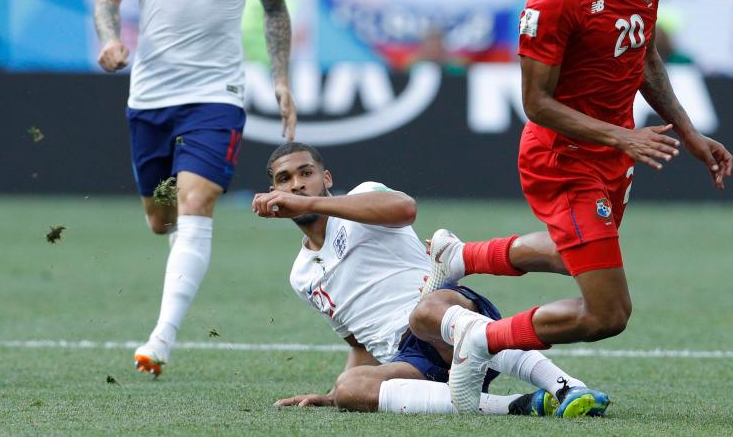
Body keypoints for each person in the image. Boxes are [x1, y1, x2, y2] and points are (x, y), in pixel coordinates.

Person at [422, 0, 733, 412]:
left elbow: (645, 57)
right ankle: (479, 339)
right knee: (607, 313)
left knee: (580, 257)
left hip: (615, 153)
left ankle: (462, 254)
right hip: (562, 158)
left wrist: (687, 131)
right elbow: (535, 103)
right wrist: (621, 137)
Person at [93, 0, 297, 377]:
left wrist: (279, 77)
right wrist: (110, 39)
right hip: (151, 96)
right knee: (162, 219)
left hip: (217, 96)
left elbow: (275, 9)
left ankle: (160, 339)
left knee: (196, 201)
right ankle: (175, 251)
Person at [252, 142, 609, 417]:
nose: (296, 185)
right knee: (349, 389)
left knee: (423, 314)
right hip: (413, 362)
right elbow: (359, 343)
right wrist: (334, 395)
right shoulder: (301, 275)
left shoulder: (361, 196)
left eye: (305, 173)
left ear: (325, 178)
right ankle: (522, 404)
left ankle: (568, 387)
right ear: (272, 194)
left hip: (443, 312)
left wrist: (314, 206)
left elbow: (406, 209)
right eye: (284, 180)